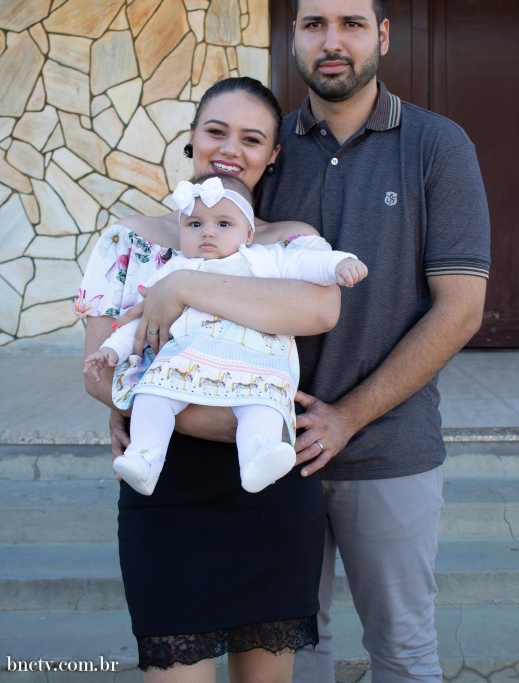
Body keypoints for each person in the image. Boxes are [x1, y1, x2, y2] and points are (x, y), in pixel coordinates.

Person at [254, 0, 491, 683]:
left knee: (404, 651)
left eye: (352, 23)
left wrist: (347, 417)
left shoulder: (436, 146)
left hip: (391, 449)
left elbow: (461, 312)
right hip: (271, 447)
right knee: (296, 649)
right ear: (292, 36)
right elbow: (199, 266)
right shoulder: (262, 150)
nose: (333, 41)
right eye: (314, 24)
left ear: (383, 35)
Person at [76, 76, 343, 683]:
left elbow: (320, 310)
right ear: (192, 138)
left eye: (252, 138)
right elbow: (97, 371)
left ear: (273, 154)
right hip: (165, 483)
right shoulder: (127, 239)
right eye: (216, 131)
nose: (230, 149)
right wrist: (213, 422)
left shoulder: (290, 241)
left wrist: (184, 285)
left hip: (270, 488)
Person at [83, 174, 365, 495]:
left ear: (248, 234)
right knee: (151, 395)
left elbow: (308, 263)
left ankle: (258, 457)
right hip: (184, 364)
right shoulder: (173, 271)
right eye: (194, 224)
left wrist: (340, 264)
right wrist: (112, 350)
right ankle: (144, 457)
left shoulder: (264, 260)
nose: (208, 232)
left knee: (263, 403)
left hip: (251, 364)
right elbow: (140, 319)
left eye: (223, 224)